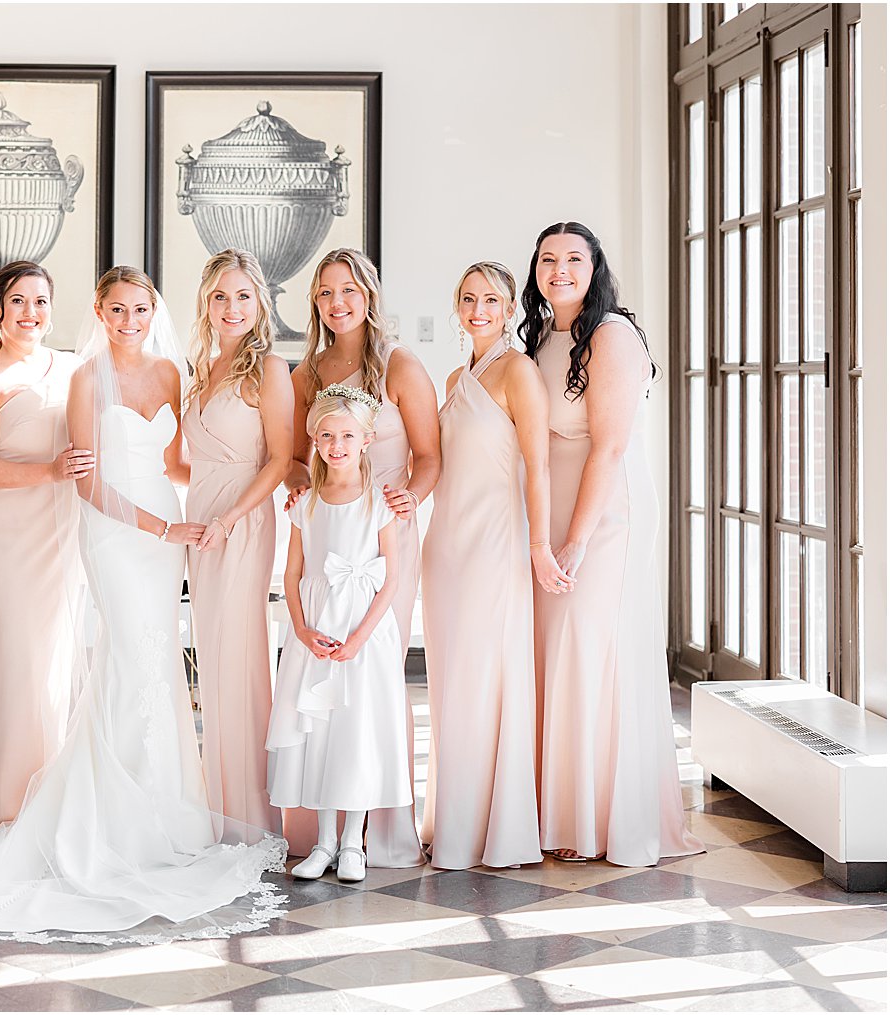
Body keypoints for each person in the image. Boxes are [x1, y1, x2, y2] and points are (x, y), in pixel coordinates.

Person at [0, 266, 287, 943]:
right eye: (117, 309)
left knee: (160, 662)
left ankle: (168, 812)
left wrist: (224, 497)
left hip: (168, 531)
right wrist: (163, 526)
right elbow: (88, 482)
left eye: (140, 309)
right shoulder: (86, 379)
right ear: (100, 313)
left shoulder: (171, 375)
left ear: (153, 311)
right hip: (117, 531)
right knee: (130, 662)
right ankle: (109, 816)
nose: (130, 320)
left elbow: (173, 463)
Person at [522, 221, 704, 866]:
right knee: (554, 650)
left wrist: (575, 541)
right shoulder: (542, 337)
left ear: (596, 267)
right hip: (548, 507)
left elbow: (612, 446)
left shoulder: (612, 335)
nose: (560, 270)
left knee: (590, 646)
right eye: (549, 259)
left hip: (604, 513)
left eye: (574, 258)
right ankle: (552, 808)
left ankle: (597, 818)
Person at [286, 248, 437, 867]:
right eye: (325, 293)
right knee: (326, 673)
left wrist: (407, 500)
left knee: (374, 672)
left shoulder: (399, 366)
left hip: (384, 539)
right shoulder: (309, 372)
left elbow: (429, 456)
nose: (337, 303)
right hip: (328, 540)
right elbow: (299, 455)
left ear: (369, 296)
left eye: (347, 290)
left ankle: (379, 829)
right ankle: (324, 829)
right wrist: (300, 484)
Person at [420, 262, 571, 871]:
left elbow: (537, 467)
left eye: (491, 300)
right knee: (451, 680)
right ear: (457, 308)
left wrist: (539, 546)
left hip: (495, 543)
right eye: (468, 298)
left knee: (487, 674)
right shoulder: (456, 376)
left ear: (510, 309)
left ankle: (491, 827)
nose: (478, 308)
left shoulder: (520, 373)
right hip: (446, 545)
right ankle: (453, 817)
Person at [0, 260, 89, 830]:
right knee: (14, 663)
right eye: (19, 302)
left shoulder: (77, 368)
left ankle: (54, 802)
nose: (31, 313)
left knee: (56, 665)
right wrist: (50, 472)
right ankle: (5, 807)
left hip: (64, 533)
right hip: (5, 536)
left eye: (41, 301)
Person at [267, 385, 414, 883]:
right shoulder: (304, 504)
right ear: (314, 439)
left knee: (357, 731)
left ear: (366, 439)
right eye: (326, 435)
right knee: (322, 733)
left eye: (347, 435)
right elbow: (291, 575)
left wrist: (359, 639)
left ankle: (354, 842)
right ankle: (324, 841)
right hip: (317, 635)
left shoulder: (379, 503)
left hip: (363, 636)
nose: (336, 446)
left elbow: (391, 578)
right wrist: (303, 631)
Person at [183, 249, 292, 840]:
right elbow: (188, 463)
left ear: (260, 303)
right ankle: (217, 804)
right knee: (212, 660)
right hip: (202, 519)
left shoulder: (268, 370)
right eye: (221, 296)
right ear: (206, 302)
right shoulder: (199, 368)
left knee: (239, 656)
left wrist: (228, 516)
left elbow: (278, 460)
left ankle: (251, 817)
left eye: (243, 296)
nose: (232, 307)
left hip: (243, 520)